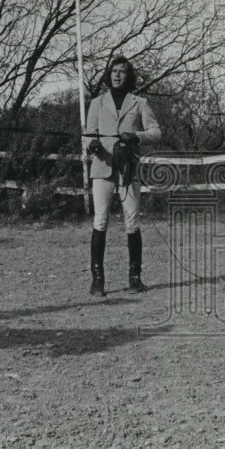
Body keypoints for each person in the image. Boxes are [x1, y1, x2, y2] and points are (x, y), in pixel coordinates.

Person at [82, 55, 161, 296]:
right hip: (103, 167)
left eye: (122, 72)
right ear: (109, 74)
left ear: (129, 76)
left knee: (132, 222)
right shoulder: (96, 102)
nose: (117, 75)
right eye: (114, 71)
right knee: (101, 220)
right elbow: (89, 134)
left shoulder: (139, 102)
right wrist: (93, 145)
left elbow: (156, 132)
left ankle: (135, 277)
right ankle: (98, 280)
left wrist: (136, 136)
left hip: (128, 169)